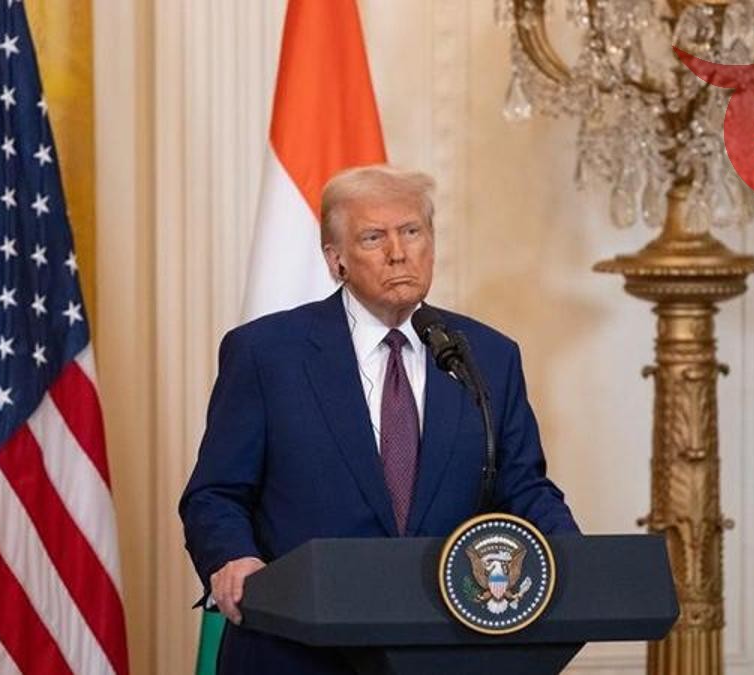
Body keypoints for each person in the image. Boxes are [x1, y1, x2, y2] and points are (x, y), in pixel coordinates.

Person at [179, 165, 579, 674]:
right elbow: (215, 494)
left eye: (412, 231)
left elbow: (523, 486)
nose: (398, 252)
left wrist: (577, 563)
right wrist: (233, 557)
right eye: (374, 237)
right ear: (336, 260)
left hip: (444, 647)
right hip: (296, 651)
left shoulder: (488, 355)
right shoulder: (266, 353)